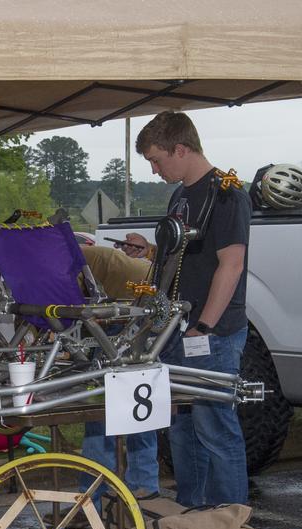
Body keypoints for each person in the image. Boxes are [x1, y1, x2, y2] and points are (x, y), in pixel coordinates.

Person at [120, 110, 251, 507]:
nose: (155, 169)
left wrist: (205, 326)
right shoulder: (180, 196)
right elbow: (189, 257)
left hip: (212, 333)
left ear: (180, 149)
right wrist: (150, 251)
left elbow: (231, 264)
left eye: (156, 160)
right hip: (178, 330)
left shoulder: (227, 194)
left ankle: (230, 521)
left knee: (216, 429)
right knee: (183, 428)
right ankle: (193, 512)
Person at [77, 244, 160, 496]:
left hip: (133, 311)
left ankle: (94, 497)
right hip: (131, 307)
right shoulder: (71, 254)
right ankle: (144, 489)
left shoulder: (63, 260)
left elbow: (66, 310)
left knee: (101, 410)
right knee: (135, 411)